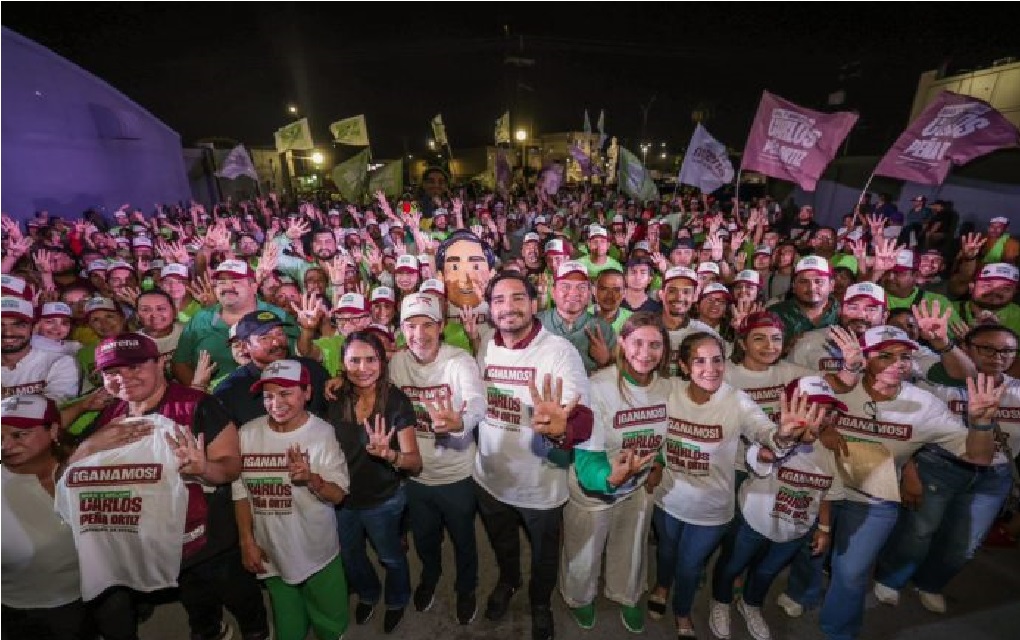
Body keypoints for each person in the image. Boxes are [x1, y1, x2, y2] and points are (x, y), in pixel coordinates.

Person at [784, 326, 1001, 640]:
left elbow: (979, 456)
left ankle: (838, 630)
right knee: (811, 550)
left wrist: (981, 423)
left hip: (873, 499)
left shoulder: (925, 405)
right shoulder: (839, 386)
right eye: (884, 355)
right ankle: (801, 593)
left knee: (852, 571)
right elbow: (795, 408)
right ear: (865, 359)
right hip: (819, 490)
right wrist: (822, 426)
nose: (897, 363)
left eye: (905, 356)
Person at [56, 332, 270, 640]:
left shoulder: (198, 405)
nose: (124, 378)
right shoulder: (108, 415)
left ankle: (256, 630)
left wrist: (204, 468)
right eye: (112, 371)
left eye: (135, 367)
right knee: (192, 595)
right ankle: (209, 631)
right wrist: (88, 447)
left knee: (234, 589)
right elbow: (69, 474)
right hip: (156, 538)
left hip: (208, 536)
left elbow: (230, 468)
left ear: (160, 364)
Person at [647, 331, 819, 638]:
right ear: (684, 366)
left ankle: (682, 611)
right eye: (699, 361)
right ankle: (661, 586)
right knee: (667, 552)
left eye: (717, 360)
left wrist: (782, 436)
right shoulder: (669, 390)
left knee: (689, 566)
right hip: (668, 498)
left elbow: (763, 430)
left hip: (711, 508)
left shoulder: (736, 400)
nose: (710, 369)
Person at [472, 272, 593, 640]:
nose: (508, 307)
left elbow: (583, 417)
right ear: (490, 309)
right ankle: (509, 581)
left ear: (535, 303)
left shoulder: (559, 351)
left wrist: (561, 429)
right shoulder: (486, 344)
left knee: (544, 554)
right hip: (490, 477)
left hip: (540, 484)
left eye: (517, 298)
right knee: (503, 542)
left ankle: (540, 603)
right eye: (499, 300)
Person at [872, 324, 1020, 613]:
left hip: (993, 477)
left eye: (1007, 351)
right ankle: (891, 578)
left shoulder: (1017, 391)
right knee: (918, 531)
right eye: (987, 349)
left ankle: (930, 583)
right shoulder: (936, 384)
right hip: (938, 466)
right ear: (965, 348)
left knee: (964, 543)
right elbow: (909, 430)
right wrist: (909, 471)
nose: (997, 357)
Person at [709, 377, 847, 640]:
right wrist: (785, 441)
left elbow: (827, 491)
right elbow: (762, 456)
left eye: (828, 411)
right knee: (731, 565)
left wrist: (824, 527)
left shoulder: (831, 447)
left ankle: (751, 604)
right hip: (753, 521)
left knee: (766, 572)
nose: (822, 418)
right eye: (813, 409)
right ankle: (721, 601)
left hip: (795, 529)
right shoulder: (773, 435)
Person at [561, 312, 671, 634]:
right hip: (595, 486)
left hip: (638, 484)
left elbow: (667, 433)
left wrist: (659, 462)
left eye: (655, 345)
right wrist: (609, 479)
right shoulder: (597, 387)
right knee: (584, 550)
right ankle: (579, 597)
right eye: (637, 343)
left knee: (633, 545)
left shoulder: (667, 387)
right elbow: (585, 456)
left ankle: (627, 594)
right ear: (622, 342)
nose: (645, 353)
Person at [387, 293, 487, 624]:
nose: (419, 334)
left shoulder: (459, 361)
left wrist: (460, 423)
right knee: (425, 537)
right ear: (401, 329)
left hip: (457, 474)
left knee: (463, 539)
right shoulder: (396, 364)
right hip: (416, 474)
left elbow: (476, 402)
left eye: (427, 325)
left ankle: (466, 587)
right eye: (411, 326)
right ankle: (430, 575)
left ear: (441, 326)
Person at [234, 360, 351, 640]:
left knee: (330, 621)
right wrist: (247, 541)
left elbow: (339, 495)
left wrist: (312, 479)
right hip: (270, 551)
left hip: (316, 550)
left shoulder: (321, 433)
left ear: (307, 393)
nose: (276, 404)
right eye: (268, 396)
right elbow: (240, 491)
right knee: (288, 624)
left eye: (285, 393)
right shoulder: (247, 433)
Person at [325, 331, 422, 634]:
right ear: (342, 363)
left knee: (390, 556)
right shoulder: (335, 396)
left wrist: (389, 454)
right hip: (342, 498)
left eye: (370, 359)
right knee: (351, 556)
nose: (362, 368)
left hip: (383, 500)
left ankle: (397, 598)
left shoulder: (396, 401)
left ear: (382, 361)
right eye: (354, 360)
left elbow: (415, 462)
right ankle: (368, 593)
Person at [2, 394, 87, 640]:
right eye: (0, 438)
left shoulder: (87, 468)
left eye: (19, 435)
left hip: (92, 595)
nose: (6, 446)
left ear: (53, 431)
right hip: (20, 608)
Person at [173, 259, 298, 385]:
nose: (228, 287)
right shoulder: (200, 318)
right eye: (221, 282)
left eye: (236, 281)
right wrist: (201, 392)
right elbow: (180, 363)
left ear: (253, 287)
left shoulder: (280, 316)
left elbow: (297, 359)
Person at [214, 309, 331, 427]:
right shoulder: (230, 391)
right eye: (265, 338)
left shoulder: (312, 369)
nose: (276, 342)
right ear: (245, 346)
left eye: (279, 334)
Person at [537, 260, 617, 375]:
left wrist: (606, 361)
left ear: (589, 294)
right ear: (553, 292)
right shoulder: (536, 324)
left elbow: (617, 376)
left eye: (581, 287)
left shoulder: (603, 329)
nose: (574, 293)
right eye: (565, 286)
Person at [1, 296, 80, 402]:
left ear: (33, 328)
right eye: (0, 325)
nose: (8, 332)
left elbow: (54, 409)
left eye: (19, 325)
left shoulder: (60, 362)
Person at [768, 256, 840, 346]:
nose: (811, 288)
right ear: (793, 286)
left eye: (818, 281)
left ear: (831, 285)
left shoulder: (844, 314)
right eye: (804, 282)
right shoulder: (774, 314)